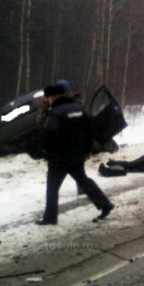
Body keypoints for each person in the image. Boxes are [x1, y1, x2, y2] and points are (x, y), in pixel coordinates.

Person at [36, 82, 114, 225]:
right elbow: (89, 131)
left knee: (52, 188)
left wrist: (45, 150)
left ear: (54, 97)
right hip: (77, 155)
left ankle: (49, 218)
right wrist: (87, 149)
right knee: (84, 181)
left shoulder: (55, 113)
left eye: (48, 97)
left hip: (59, 158)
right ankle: (105, 204)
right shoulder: (78, 109)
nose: (47, 100)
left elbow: (49, 134)